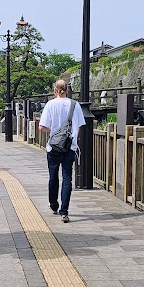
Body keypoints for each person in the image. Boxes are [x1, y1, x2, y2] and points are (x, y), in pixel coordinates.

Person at [38, 79, 86, 223]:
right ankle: (64, 212)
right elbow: (79, 126)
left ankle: (54, 205)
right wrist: (71, 138)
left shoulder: (50, 104)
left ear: (55, 90)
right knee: (67, 178)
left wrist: (53, 132)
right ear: (67, 90)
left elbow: (42, 127)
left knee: (53, 176)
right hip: (70, 146)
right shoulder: (75, 105)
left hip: (53, 147)